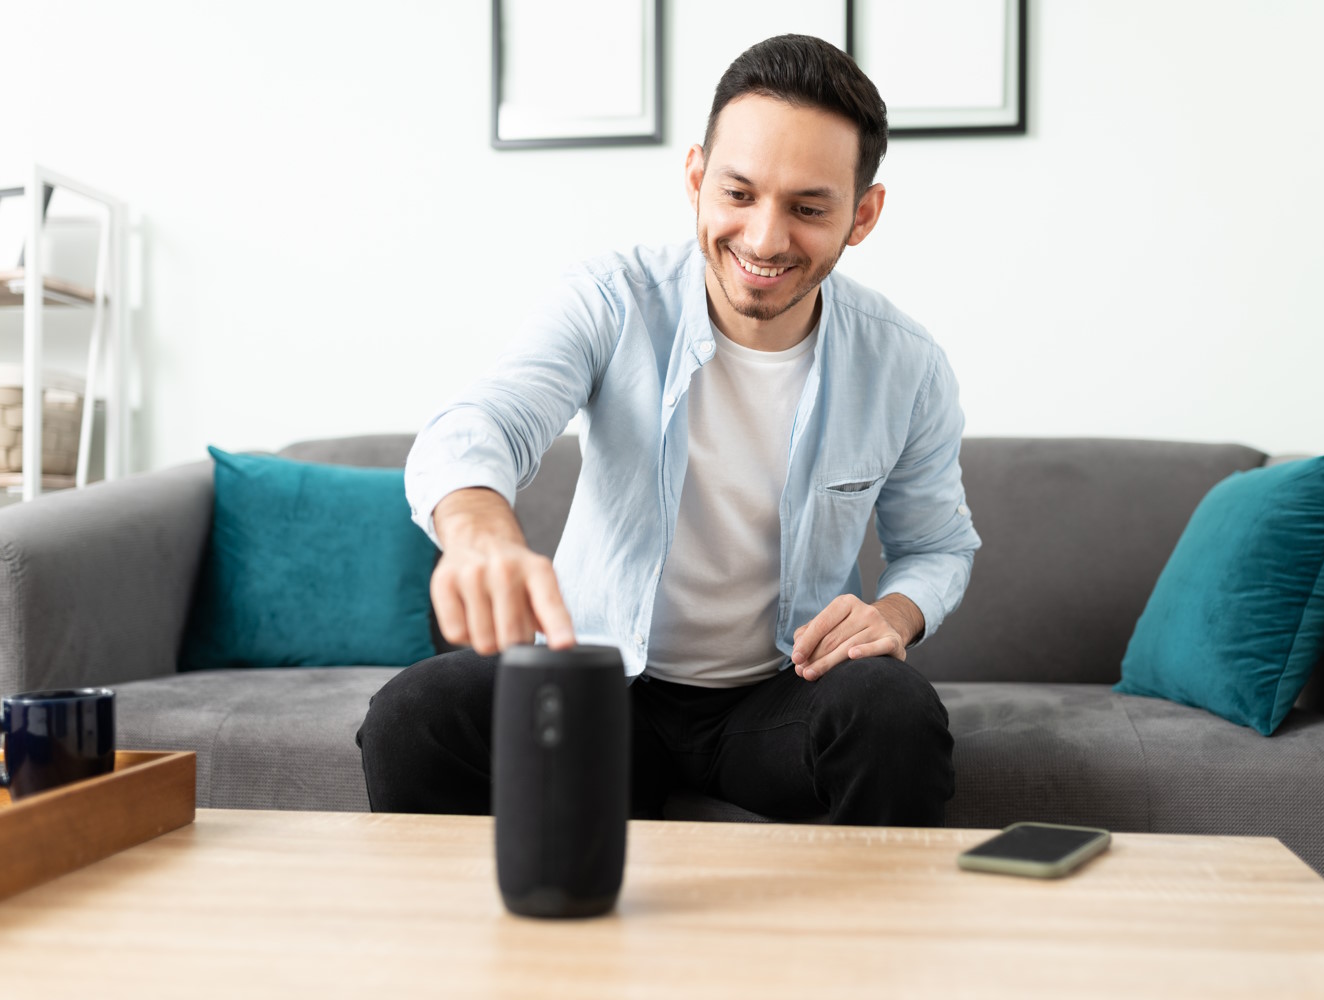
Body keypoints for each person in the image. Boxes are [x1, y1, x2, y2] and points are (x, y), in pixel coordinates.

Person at [357, 33, 981, 827]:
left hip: (778, 697)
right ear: (695, 179)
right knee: (416, 714)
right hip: (597, 690)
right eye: (739, 194)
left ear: (862, 214)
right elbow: (486, 419)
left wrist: (892, 616)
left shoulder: (907, 365)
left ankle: (860, 951)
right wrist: (479, 533)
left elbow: (937, 546)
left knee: (892, 709)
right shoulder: (611, 300)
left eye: (808, 208)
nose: (763, 239)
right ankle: (476, 943)